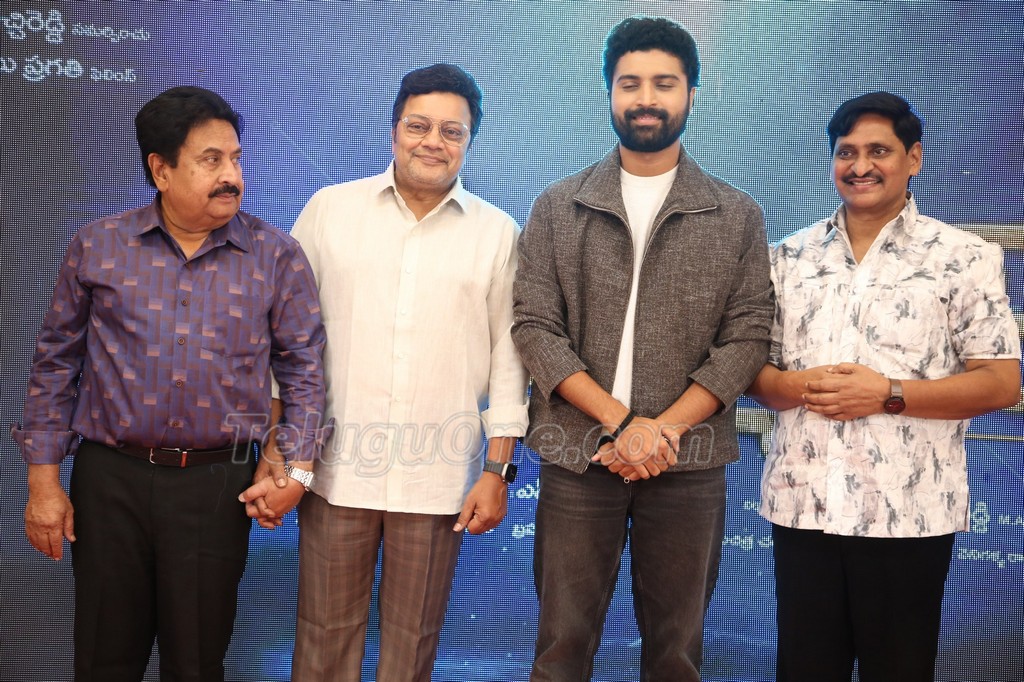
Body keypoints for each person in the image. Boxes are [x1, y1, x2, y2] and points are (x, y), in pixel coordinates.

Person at [12, 86, 330, 682]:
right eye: (211, 160)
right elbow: (54, 365)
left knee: (197, 662)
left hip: (216, 485)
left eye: (235, 158)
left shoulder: (275, 256)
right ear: (161, 170)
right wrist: (43, 484)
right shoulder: (98, 246)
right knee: (105, 659)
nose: (232, 175)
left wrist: (299, 467)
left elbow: (304, 369)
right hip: (110, 482)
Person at [511, 15, 773, 682]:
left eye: (664, 83)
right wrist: (623, 423)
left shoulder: (737, 214)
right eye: (630, 84)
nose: (646, 98)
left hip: (687, 461)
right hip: (579, 454)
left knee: (677, 656)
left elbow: (747, 337)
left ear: (692, 93)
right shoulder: (559, 205)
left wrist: (662, 431)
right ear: (609, 92)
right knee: (560, 650)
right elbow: (535, 328)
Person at [247, 63, 529, 682]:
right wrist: (274, 443)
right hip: (334, 469)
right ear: (393, 128)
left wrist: (497, 471)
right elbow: (285, 338)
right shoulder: (330, 210)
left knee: (412, 647)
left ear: (471, 140)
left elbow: (511, 361)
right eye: (418, 126)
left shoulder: (497, 233)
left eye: (452, 131)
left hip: (438, 477)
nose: (433, 142)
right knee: (323, 639)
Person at [747, 91, 1021, 682]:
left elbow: (1001, 382)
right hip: (804, 508)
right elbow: (755, 378)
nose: (860, 165)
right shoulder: (787, 257)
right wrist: (797, 385)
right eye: (846, 152)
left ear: (913, 158)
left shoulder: (965, 257)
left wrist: (888, 394)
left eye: (879, 151)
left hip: (908, 514)